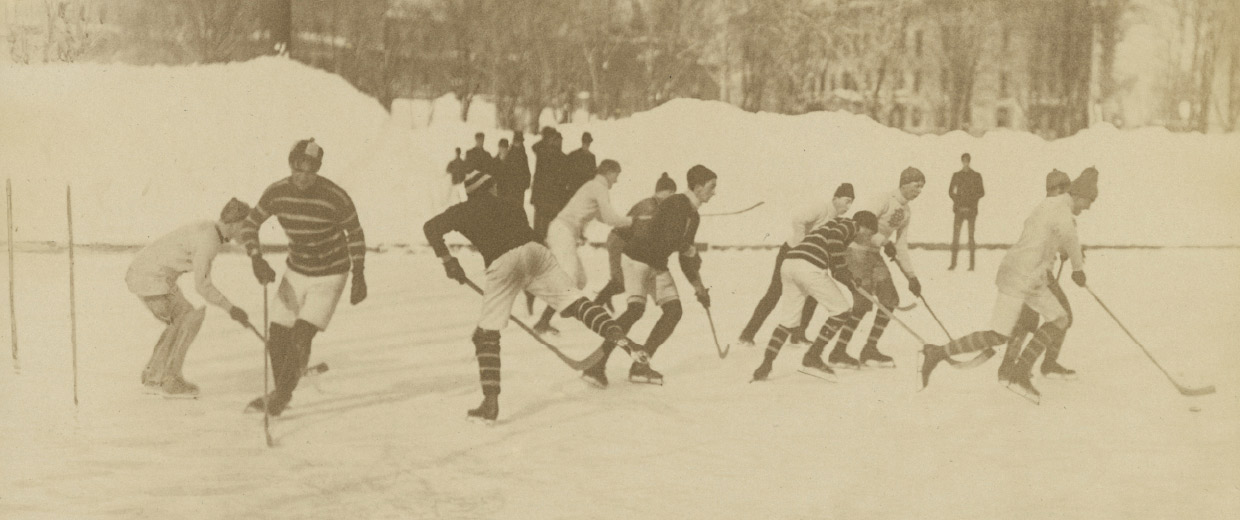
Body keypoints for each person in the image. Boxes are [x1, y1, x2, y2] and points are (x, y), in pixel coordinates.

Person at [423, 169, 647, 424]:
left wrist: (448, 261)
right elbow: (523, 248)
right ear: (492, 188)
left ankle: (490, 404)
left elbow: (430, 228)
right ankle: (616, 334)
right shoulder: (510, 204)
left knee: (486, 335)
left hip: (503, 262)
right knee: (575, 302)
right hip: (536, 252)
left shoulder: (462, 210)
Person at [920, 168, 1098, 402]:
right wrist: (1078, 269)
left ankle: (946, 354)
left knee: (1057, 319)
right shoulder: (1061, 209)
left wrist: (1061, 252)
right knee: (1002, 334)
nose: (1088, 207)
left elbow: (1052, 236)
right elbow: (1070, 237)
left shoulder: (1050, 207)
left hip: (1027, 276)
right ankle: (1010, 370)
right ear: (1079, 195)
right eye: (1089, 201)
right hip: (1022, 277)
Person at [241, 138, 369, 416]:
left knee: (301, 335)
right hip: (297, 271)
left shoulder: (334, 195)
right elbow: (251, 224)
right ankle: (284, 385)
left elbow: (355, 233)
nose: (303, 177)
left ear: (318, 169)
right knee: (277, 334)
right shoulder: (277, 193)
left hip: (331, 273)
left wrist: (359, 274)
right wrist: (256, 258)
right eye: (297, 169)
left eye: (310, 170)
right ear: (291, 166)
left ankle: (281, 396)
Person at [580, 165, 717, 387]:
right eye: (711, 187)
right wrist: (689, 249)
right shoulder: (676, 203)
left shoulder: (694, 216)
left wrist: (698, 287)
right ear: (698, 187)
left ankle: (640, 365)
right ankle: (597, 364)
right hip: (637, 259)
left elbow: (684, 257)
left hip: (657, 264)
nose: (714, 192)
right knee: (636, 310)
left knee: (674, 311)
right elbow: (672, 240)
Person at [127, 198, 254, 398]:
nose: (248, 233)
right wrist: (231, 308)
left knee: (181, 317)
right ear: (236, 223)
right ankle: (170, 380)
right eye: (246, 227)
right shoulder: (209, 240)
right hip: (150, 278)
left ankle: (153, 376)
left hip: (147, 274)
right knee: (189, 318)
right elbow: (202, 286)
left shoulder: (209, 229)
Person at [751, 211, 878, 382]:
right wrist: (843, 271)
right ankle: (813, 355)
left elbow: (835, 264)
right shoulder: (850, 225)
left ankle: (765, 365)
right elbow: (835, 242)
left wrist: (848, 278)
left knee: (788, 321)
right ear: (863, 227)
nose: (867, 239)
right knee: (841, 311)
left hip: (789, 264)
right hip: (809, 266)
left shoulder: (832, 226)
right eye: (869, 234)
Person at [823, 167, 925, 370]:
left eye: (922, 187)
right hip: (855, 252)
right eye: (916, 186)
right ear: (904, 183)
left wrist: (911, 277)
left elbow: (901, 246)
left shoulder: (906, 212)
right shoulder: (884, 199)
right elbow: (861, 223)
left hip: (874, 255)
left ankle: (869, 349)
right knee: (862, 303)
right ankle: (838, 352)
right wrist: (881, 240)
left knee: (890, 299)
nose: (919, 191)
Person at [737, 183, 855, 348]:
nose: (848, 206)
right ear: (835, 198)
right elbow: (798, 219)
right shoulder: (821, 207)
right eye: (846, 201)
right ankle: (747, 334)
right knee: (775, 292)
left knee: (813, 294)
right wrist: (801, 244)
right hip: (791, 252)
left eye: (852, 203)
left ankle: (798, 335)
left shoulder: (837, 220)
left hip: (810, 258)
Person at [532, 159, 632, 335]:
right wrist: (634, 221)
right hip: (562, 231)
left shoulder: (594, 186)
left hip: (564, 232)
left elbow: (602, 217)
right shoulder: (598, 187)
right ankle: (544, 319)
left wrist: (626, 223)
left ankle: (549, 316)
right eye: (616, 175)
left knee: (580, 281)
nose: (616, 181)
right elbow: (609, 218)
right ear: (608, 172)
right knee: (569, 279)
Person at [998, 169, 1079, 383]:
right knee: (1059, 316)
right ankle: (1039, 364)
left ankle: (1009, 366)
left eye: (1061, 189)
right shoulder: (1053, 210)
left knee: (1029, 319)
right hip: (1033, 273)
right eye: (1055, 189)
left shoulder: (1043, 209)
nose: (1058, 193)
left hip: (1028, 271)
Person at [593, 172, 677, 311]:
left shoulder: (657, 205)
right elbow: (644, 232)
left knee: (625, 281)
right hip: (619, 241)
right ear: (664, 192)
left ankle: (602, 298)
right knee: (623, 282)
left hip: (625, 241)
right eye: (672, 193)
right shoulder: (649, 206)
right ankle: (596, 306)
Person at [948, 152, 985, 271]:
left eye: (967, 160)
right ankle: (953, 264)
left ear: (969, 161)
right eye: (964, 160)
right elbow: (950, 192)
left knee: (971, 237)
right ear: (961, 161)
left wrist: (971, 201)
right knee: (956, 237)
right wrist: (958, 202)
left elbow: (981, 192)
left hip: (971, 210)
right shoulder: (956, 175)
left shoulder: (976, 176)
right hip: (959, 210)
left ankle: (972, 265)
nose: (965, 163)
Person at [530, 127, 567, 241]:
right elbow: (534, 147)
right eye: (551, 138)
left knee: (548, 219)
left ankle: (545, 240)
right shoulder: (542, 151)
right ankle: (538, 240)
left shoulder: (558, 155)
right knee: (539, 219)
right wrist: (545, 138)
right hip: (541, 193)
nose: (554, 141)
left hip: (551, 194)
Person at [498, 130, 531, 214]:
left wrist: (526, 183)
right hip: (511, 189)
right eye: (517, 141)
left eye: (520, 141)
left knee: (517, 210)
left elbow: (526, 170)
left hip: (518, 189)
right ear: (514, 141)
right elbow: (504, 172)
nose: (519, 143)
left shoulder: (522, 154)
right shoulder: (510, 154)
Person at [564, 131, 597, 196]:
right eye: (585, 142)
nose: (586, 144)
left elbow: (593, 174)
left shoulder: (591, 157)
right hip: (574, 188)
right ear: (582, 142)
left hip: (584, 188)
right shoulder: (573, 155)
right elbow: (566, 169)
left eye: (588, 142)